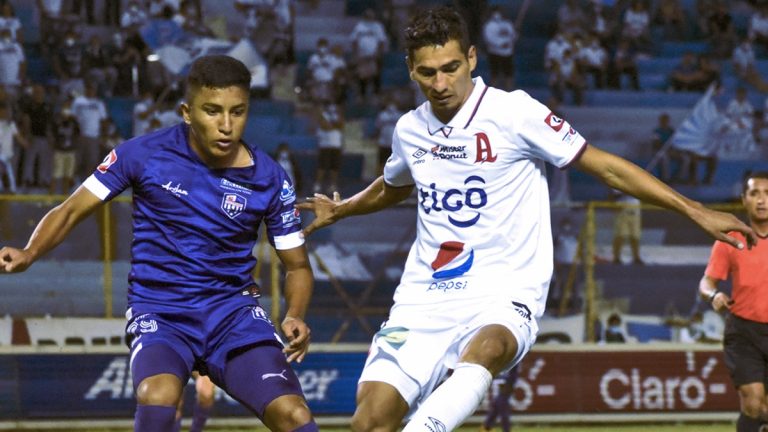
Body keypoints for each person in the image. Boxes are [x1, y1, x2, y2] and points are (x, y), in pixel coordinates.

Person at [296, 7, 755, 432]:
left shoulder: (514, 113)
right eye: (428, 72)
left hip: (504, 291)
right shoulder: (409, 130)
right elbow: (394, 185)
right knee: (369, 422)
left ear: (472, 58)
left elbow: (607, 167)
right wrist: (343, 208)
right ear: (411, 70)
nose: (440, 83)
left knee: (489, 349)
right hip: (424, 298)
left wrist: (694, 210)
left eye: (451, 67)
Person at [0, 55, 318, 432]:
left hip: (233, 315)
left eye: (237, 112)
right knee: (158, 394)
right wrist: (29, 253)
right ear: (187, 112)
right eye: (212, 111)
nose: (226, 125)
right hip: (161, 312)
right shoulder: (142, 154)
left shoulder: (270, 179)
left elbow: (297, 266)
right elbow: (70, 210)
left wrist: (295, 313)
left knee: (295, 416)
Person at [699, 171, 768, 432]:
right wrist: (714, 295)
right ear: (744, 199)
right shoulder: (730, 239)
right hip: (744, 333)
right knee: (753, 402)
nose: (761, 200)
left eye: (767, 193)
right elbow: (706, 282)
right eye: (754, 193)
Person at [479, 364, 519, 432]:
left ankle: (487, 427)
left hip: (506, 388)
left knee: (499, 408)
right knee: (496, 407)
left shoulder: (510, 374)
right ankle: (487, 427)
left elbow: (513, 372)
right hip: (504, 390)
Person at [611, 189, 644, 265]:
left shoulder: (637, 184)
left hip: (635, 210)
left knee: (635, 236)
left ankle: (636, 257)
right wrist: (626, 191)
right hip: (622, 209)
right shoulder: (619, 183)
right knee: (620, 235)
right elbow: (614, 195)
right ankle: (616, 257)